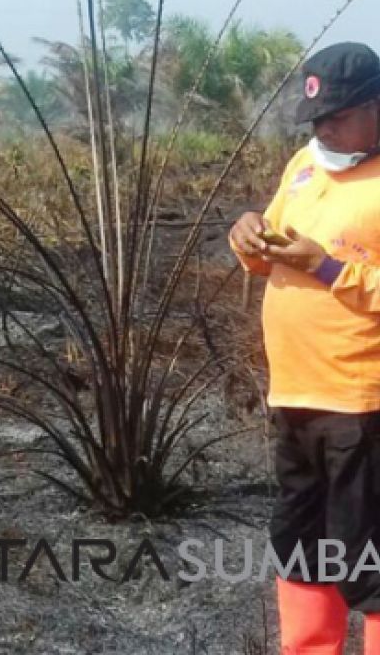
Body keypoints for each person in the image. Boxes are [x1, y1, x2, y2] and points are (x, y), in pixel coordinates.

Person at [229, 41, 380, 654]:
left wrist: (327, 269)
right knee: (302, 546)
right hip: (296, 395)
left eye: (339, 117)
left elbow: (326, 267)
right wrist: (248, 238)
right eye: (316, 120)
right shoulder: (306, 165)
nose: (325, 130)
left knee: (368, 554)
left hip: (361, 401)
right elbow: (269, 257)